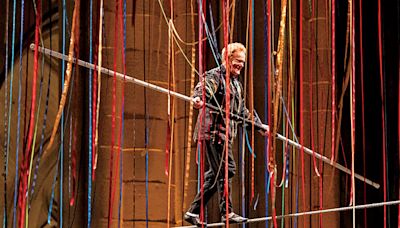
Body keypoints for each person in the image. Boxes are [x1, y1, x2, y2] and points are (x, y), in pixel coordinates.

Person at [184, 43, 269, 226]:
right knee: (226, 170)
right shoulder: (216, 75)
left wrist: (260, 126)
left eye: (243, 62)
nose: (240, 65)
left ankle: (193, 212)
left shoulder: (236, 85)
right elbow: (205, 87)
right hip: (213, 132)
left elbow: (242, 111)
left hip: (225, 135)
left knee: (216, 174)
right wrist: (199, 98)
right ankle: (227, 212)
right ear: (227, 59)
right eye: (237, 61)